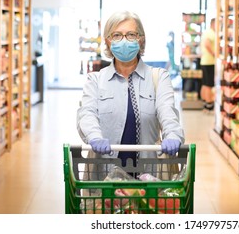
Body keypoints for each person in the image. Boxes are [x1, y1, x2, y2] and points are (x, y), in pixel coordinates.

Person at [77, 10, 185, 170]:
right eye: (117, 35)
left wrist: (173, 135)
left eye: (131, 35)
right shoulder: (95, 81)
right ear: (108, 41)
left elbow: (167, 112)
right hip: (105, 176)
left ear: (141, 40)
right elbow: (87, 114)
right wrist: (94, 136)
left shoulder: (159, 78)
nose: (124, 41)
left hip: (148, 176)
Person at [200, 18, 216, 113]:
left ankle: (205, 104)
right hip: (209, 61)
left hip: (205, 61)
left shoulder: (207, 32)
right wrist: (214, 53)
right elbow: (207, 44)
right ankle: (209, 106)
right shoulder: (210, 33)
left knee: (205, 84)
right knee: (209, 84)